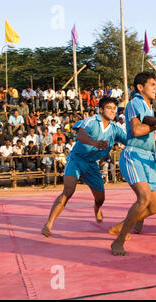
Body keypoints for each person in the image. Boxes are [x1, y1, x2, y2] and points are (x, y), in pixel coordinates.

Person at [110, 72, 156, 256]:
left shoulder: (148, 107)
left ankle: (125, 225)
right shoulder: (135, 102)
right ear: (140, 87)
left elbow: (150, 137)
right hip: (134, 155)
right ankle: (119, 241)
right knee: (144, 199)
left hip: (149, 157)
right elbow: (137, 130)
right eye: (153, 84)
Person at [41, 97, 127, 238]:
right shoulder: (92, 121)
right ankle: (48, 224)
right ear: (100, 109)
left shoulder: (115, 129)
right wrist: (94, 143)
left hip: (92, 164)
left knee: (101, 198)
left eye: (114, 108)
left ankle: (96, 207)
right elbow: (81, 135)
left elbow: (130, 141)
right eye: (109, 107)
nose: (112, 110)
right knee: (68, 191)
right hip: (76, 159)